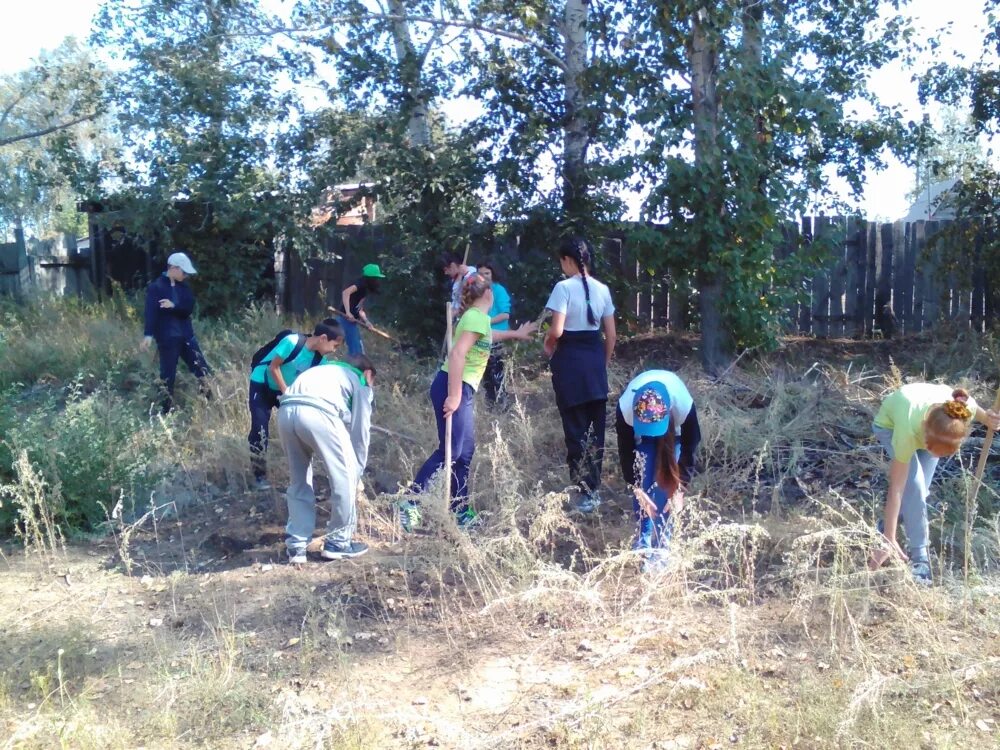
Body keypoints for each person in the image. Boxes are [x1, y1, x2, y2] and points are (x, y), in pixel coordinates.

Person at [403, 273, 537, 529]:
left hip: (460, 387)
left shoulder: (478, 319)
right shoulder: (476, 317)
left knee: (464, 453)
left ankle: (459, 510)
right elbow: (457, 354)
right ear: (488, 294)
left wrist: (515, 334)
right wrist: (453, 395)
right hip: (453, 385)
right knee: (450, 450)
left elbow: (487, 337)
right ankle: (410, 502)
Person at [871, 383, 1000, 584]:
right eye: (933, 449)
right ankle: (920, 559)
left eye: (944, 453)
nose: (935, 456)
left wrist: (991, 419)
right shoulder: (908, 431)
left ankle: (885, 525)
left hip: (932, 430)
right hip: (890, 425)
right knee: (915, 488)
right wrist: (889, 537)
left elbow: (984, 416)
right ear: (924, 431)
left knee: (919, 494)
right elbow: (897, 488)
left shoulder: (963, 411)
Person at [277, 353, 377, 563]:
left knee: (299, 480)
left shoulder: (319, 370)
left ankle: (296, 547)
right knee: (345, 477)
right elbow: (361, 432)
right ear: (368, 374)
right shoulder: (360, 380)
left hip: (286, 412)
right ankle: (338, 543)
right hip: (318, 413)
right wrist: (356, 473)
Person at [542, 237, 617, 513]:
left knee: (575, 431)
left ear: (567, 260)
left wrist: (548, 348)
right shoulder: (603, 289)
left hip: (570, 363)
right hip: (594, 364)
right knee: (595, 432)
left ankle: (582, 492)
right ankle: (592, 490)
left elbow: (556, 331)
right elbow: (611, 335)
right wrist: (603, 363)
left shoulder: (563, 288)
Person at [616, 372, 701, 571]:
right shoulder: (626, 409)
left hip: (675, 433)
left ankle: (663, 548)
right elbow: (626, 452)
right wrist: (637, 489)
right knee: (644, 479)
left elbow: (691, 445)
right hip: (642, 437)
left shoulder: (683, 406)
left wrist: (681, 488)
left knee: (667, 489)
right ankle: (643, 544)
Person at [248, 321, 344, 489]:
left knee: (299, 425)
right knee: (259, 429)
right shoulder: (293, 342)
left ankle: (303, 474)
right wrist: (287, 393)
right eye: (334, 345)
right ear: (323, 338)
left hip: (284, 391)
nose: (334, 350)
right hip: (262, 384)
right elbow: (274, 367)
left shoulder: (320, 361)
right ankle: (259, 476)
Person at [140, 251, 211, 414]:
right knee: (167, 376)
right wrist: (148, 335)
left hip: (187, 337)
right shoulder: (156, 287)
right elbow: (151, 312)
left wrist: (174, 306)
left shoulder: (184, 288)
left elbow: (188, 309)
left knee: (202, 370)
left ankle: (207, 405)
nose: (186, 275)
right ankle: (165, 413)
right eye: (183, 271)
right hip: (167, 339)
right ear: (174, 268)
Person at [478, 261, 512, 409]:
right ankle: (490, 405)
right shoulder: (478, 291)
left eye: (487, 273)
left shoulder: (499, 290)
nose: (484, 276)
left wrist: (486, 321)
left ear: (492, 274)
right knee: (485, 375)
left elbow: (505, 314)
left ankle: (503, 406)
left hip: (497, 337)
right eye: (481, 273)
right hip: (482, 337)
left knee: (497, 373)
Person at [339, 263, 386, 355]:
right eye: (376, 278)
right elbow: (345, 293)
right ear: (371, 278)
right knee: (357, 352)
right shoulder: (359, 284)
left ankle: (352, 366)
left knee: (357, 350)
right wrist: (348, 312)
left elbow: (359, 309)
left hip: (352, 322)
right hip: (345, 320)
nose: (378, 281)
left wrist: (367, 322)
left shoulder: (365, 290)